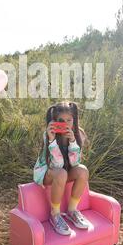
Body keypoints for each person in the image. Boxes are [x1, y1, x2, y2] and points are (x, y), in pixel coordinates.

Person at [33, 101, 90, 235]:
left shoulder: (78, 134)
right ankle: (55, 214)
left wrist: (72, 142)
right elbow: (56, 165)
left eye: (69, 120)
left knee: (82, 171)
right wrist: (52, 140)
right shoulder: (49, 134)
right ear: (54, 121)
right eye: (61, 120)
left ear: (74, 120)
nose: (65, 124)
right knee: (61, 173)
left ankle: (72, 211)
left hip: (65, 170)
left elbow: (75, 163)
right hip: (47, 172)